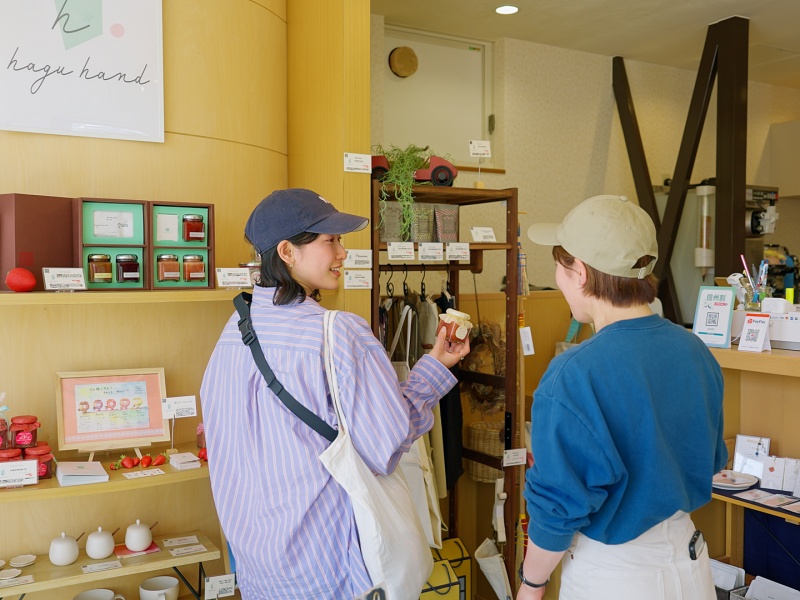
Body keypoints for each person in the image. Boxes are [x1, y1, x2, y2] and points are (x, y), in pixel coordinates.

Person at [200, 188, 469, 600]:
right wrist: (433, 370)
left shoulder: (232, 335)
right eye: (330, 241)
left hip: (257, 568)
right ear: (288, 251)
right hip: (327, 567)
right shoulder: (338, 333)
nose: (343, 253)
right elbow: (387, 445)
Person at [518, 195, 727, 600]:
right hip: (692, 566)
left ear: (579, 272)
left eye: (560, 267)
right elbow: (711, 459)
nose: (559, 279)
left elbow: (558, 509)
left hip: (616, 577)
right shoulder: (694, 350)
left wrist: (531, 585)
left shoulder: (572, 374)